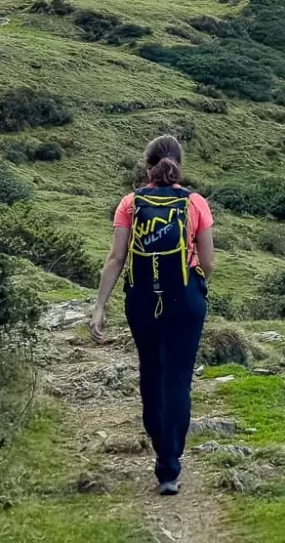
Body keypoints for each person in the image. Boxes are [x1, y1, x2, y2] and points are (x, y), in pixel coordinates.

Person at [87, 133, 215, 495]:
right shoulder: (196, 203)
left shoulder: (130, 202)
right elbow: (208, 262)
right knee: (178, 377)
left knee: (151, 371)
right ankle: (169, 466)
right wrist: (195, 286)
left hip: (141, 298)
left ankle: (158, 442)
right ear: (179, 166)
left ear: (147, 166)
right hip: (185, 299)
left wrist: (99, 307)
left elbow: (116, 258)